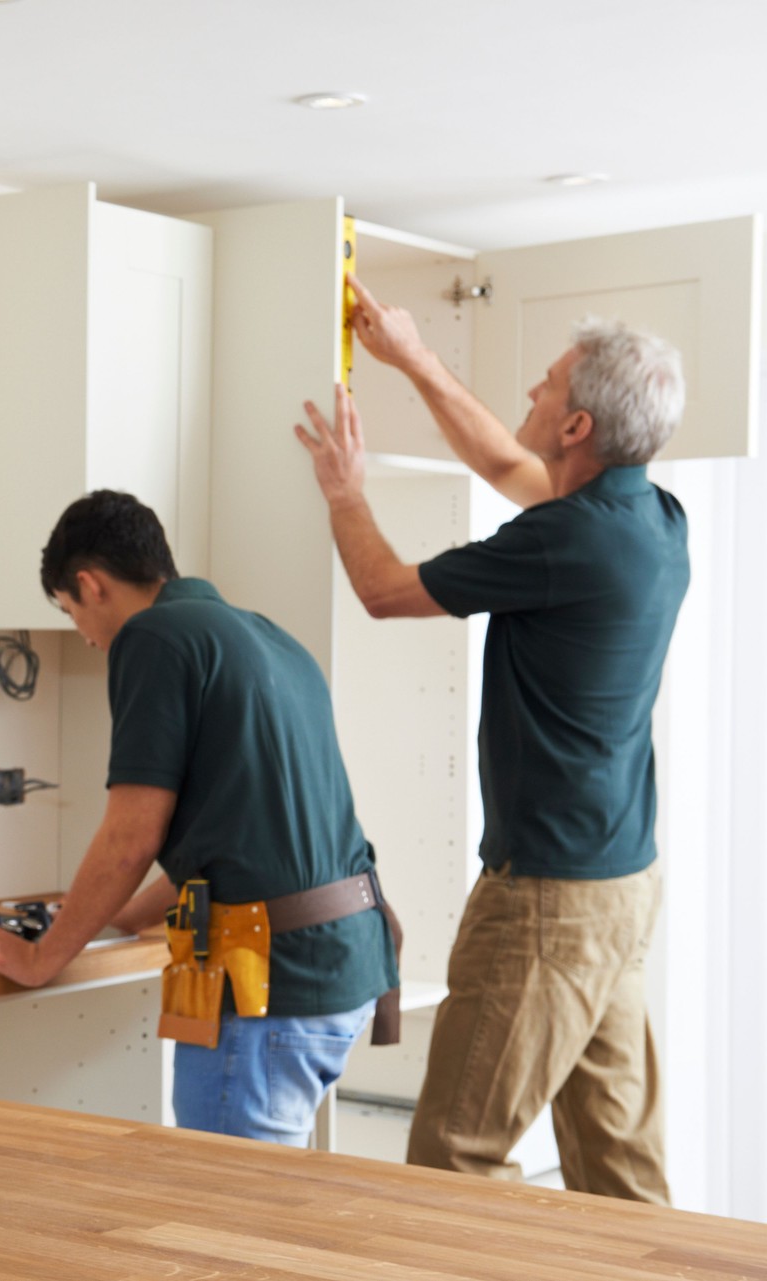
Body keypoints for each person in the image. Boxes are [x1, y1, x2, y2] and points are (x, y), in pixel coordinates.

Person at [294, 275, 686, 1203]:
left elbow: (386, 591)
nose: (532, 400)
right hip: (618, 888)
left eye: (547, 387)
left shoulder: (567, 543)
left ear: (581, 427)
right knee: (618, 1164)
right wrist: (415, 360)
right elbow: (513, 467)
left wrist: (345, 490)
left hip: (549, 899)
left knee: (457, 1161)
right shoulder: (652, 521)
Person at [0, 490, 400, 1147]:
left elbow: (131, 836)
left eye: (70, 610)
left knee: (223, 1226)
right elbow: (241, 837)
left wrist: (39, 956)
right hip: (348, 964)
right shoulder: (267, 636)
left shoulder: (152, 638)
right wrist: (122, 916)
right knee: (260, 1214)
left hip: (267, 986)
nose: (83, 632)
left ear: (89, 584)